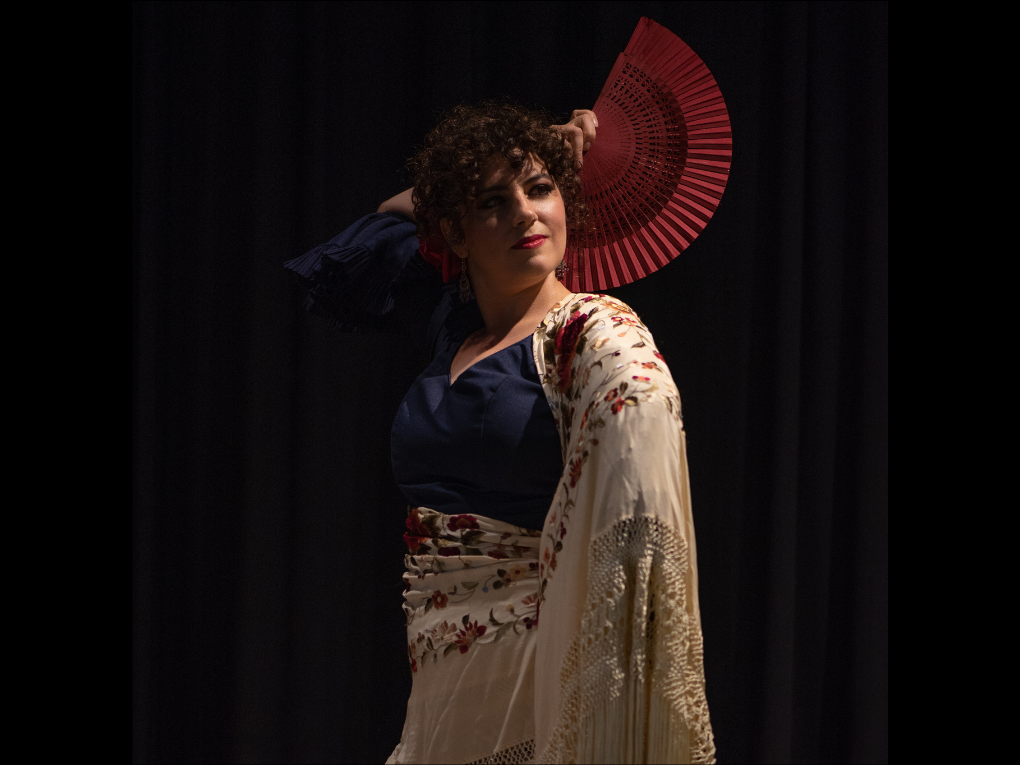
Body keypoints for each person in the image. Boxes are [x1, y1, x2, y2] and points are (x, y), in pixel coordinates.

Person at [285, 101, 715, 764]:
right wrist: (538, 143)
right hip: (437, 685)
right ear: (453, 232)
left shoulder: (592, 335)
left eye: (542, 189)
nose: (525, 214)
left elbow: (641, 453)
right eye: (493, 201)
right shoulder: (451, 327)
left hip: (536, 672)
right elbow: (388, 215)